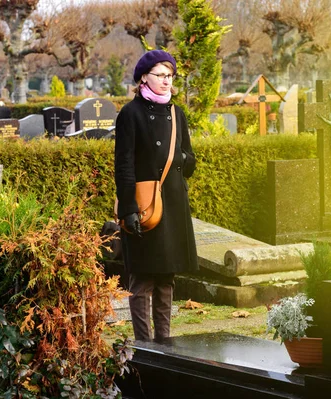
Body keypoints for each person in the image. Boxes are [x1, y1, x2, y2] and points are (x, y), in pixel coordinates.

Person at [114, 50, 198, 341]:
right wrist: (128, 209)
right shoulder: (130, 114)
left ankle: (165, 341)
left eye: (170, 76)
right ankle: (144, 345)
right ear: (144, 78)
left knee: (167, 276)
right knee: (142, 277)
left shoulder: (177, 113)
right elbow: (123, 165)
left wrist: (186, 160)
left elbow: (189, 158)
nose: (166, 81)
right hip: (143, 204)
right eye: (160, 75)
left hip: (172, 202)